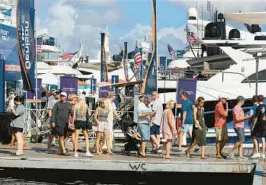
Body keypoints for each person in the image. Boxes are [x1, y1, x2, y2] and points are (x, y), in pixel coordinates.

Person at [51, 92, 72, 156]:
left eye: (63, 96)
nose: (62, 97)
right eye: (61, 96)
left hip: (66, 123)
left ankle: (60, 150)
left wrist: (72, 121)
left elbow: (71, 113)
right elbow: (54, 113)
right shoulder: (57, 104)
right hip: (59, 123)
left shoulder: (68, 104)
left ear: (66, 97)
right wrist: (53, 121)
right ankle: (64, 150)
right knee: (61, 136)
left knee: (64, 137)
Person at [251, 95, 266, 159]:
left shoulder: (258, 107)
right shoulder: (265, 106)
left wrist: (253, 126)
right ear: (263, 99)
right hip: (264, 123)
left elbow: (256, 118)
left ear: (258, 100)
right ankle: (263, 153)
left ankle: (257, 152)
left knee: (254, 135)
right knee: (263, 138)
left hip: (259, 123)